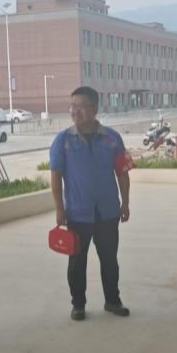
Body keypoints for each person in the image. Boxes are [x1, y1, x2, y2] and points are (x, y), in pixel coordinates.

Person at [50, 87, 134, 321]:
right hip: (77, 214)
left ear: (94, 109)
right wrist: (59, 209)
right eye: (72, 106)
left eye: (81, 106)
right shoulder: (62, 141)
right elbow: (56, 177)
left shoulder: (112, 138)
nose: (75, 111)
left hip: (108, 212)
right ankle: (78, 304)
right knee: (77, 263)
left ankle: (113, 301)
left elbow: (122, 173)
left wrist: (125, 203)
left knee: (110, 260)